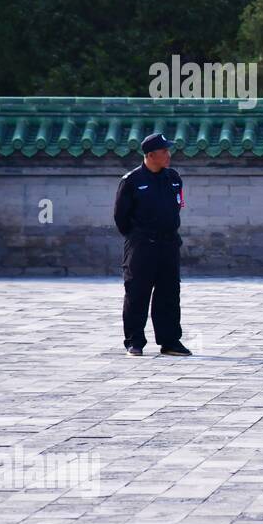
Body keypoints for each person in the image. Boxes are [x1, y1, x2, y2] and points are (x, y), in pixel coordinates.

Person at [113, 133, 191, 357]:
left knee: (169, 293)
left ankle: (170, 341)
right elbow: (121, 218)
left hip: (168, 245)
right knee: (137, 293)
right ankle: (134, 342)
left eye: (168, 150)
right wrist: (139, 238)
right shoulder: (131, 181)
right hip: (141, 247)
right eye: (164, 151)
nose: (169, 155)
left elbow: (177, 207)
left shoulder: (174, 178)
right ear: (150, 155)